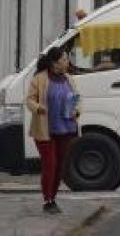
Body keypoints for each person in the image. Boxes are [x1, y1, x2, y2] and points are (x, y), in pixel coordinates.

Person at [27, 46, 80, 214]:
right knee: (50, 164)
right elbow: (29, 100)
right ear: (54, 63)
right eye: (64, 59)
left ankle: (53, 198)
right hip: (45, 130)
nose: (67, 62)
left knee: (60, 167)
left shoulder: (69, 79)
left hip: (66, 129)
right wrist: (38, 108)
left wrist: (76, 110)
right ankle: (47, 200)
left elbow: (76, 99)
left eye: (66, 59)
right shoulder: (40, 79)